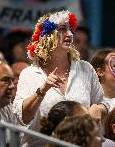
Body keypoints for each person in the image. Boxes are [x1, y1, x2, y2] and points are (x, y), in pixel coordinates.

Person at [13, 10, 108, 146]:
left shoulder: (85, 68)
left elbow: (102, 104)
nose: (69, 34)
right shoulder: (29, 74)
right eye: (63, 29)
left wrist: (98, 109)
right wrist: (42, 90)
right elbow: (23, 117)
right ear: (47, 36)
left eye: (70, 30)